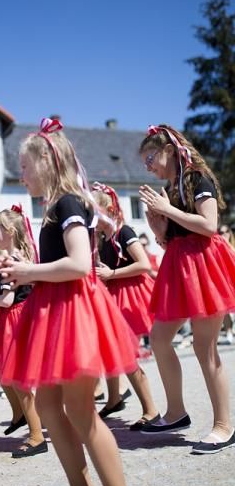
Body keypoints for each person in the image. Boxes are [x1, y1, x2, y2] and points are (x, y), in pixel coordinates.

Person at [0, 118, 141, 486]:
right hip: (55, 310)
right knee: (47, 406)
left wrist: (29, 270)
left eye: (24, 167)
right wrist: (27, 274)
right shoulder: (53, 208)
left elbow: (80, 264)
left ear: (47, 161)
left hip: (74, 313)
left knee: (81, 409)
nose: (20, 174)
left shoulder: (69, 205)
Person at [138, 124, 235, 454]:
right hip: (181, 266)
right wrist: (160, 229)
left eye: (150, 158)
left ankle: (224, 426)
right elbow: (175, 239)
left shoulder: (195, 179)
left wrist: (168, 211)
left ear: (168, 150)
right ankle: (176, 413)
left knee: (204, 349)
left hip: (206, 266)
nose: (147, 166)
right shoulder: (171, 186)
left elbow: (209, 226)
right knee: (160, 337)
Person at [0, 205, 47, 458]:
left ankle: (36, 436)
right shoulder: (21, 255)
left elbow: (6, 301)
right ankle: (32, 425)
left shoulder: (12, 259)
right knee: (20, 380)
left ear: (8, 231)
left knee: (20, 381)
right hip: (21, 315)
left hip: (16, 317)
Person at [92, 183, 159, 430]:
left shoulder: (124, 232)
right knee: (109, 350)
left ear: (108, 208)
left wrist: (112, 273)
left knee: (126, 354)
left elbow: (143, 264)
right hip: (113, 295)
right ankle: (113, 399)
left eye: (94, 211)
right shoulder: (102, 238)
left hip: (130, 296)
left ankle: (150, 410)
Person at [218, 225, 235, 344]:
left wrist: (227, 244)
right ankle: (229, 333)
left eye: (226, 232)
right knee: (226, 311)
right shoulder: (217, 248)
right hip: (225, 282)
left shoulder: (232, 246)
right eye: (221, 232)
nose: (223, 234)